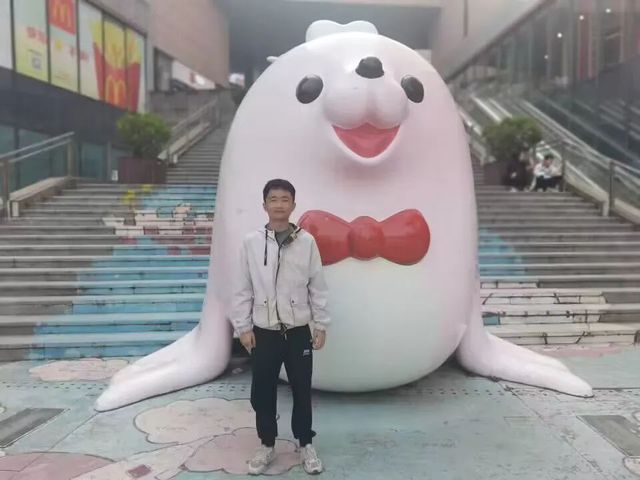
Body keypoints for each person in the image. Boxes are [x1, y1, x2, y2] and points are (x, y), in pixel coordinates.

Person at [230, 178, 330, 476]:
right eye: (273, 199)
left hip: (298, 331)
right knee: (262, 391)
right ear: (264, 205)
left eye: (285, 199)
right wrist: (243, 327)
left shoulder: (306, 242)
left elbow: (317, 286)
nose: (279, 205)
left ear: (293, 205)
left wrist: (321, 324)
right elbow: (242, 288)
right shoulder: (251, 243)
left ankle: (305, 443)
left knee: (301, 389)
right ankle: (267, 444)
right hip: (264, 331)